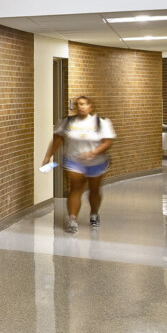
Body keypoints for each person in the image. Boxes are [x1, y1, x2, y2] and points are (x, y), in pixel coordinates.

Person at [42, 96, 116, 233]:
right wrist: (48, 156)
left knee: (94, 190)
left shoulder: (101, 122)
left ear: (90, 107)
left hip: (96, 162)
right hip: (73, 160)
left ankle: (94, 213)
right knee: (75, 188)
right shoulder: (67, 122)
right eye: (78, 104)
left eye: (84, 104)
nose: (81, 107)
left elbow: (107, 142)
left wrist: (93, 153)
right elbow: (57, 140)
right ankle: (72, 220)